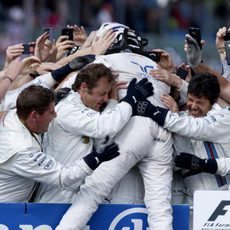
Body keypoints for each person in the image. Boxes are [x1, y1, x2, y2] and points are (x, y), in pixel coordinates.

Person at [56, 22, 174, 230]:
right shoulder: (156, 65)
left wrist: (90, 52)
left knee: (92, 192)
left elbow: (65, 90)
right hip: (164, 132)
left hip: (135, 126)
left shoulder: (104, 61)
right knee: (160, 208)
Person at [35, 62, 154, 203]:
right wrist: (131, 99)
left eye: (107, 94)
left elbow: (104, 134)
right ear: (84, 87)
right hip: (56, 198)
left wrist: (113, 100)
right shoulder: (67, 110)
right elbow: (104, 126)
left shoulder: (84, 106)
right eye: (103, 94)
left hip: (76, 194)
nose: (104, 99)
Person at [133, 72, 230, 229]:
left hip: (224, 198)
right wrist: (175, 115)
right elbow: (179, 160)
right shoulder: (181, 119)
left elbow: (196, 128)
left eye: (200, 102)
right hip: (193, 201)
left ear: (212, 103)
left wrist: (207, 164)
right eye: (190, 99)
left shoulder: (225, 117)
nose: (192, 105)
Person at [0, 85, 120, 202]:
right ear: (34, 116)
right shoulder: (22, 150)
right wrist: (96, 158)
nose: (55, 115)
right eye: (51, 112)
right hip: (6, 214)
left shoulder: (16, 114)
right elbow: (62, 177)